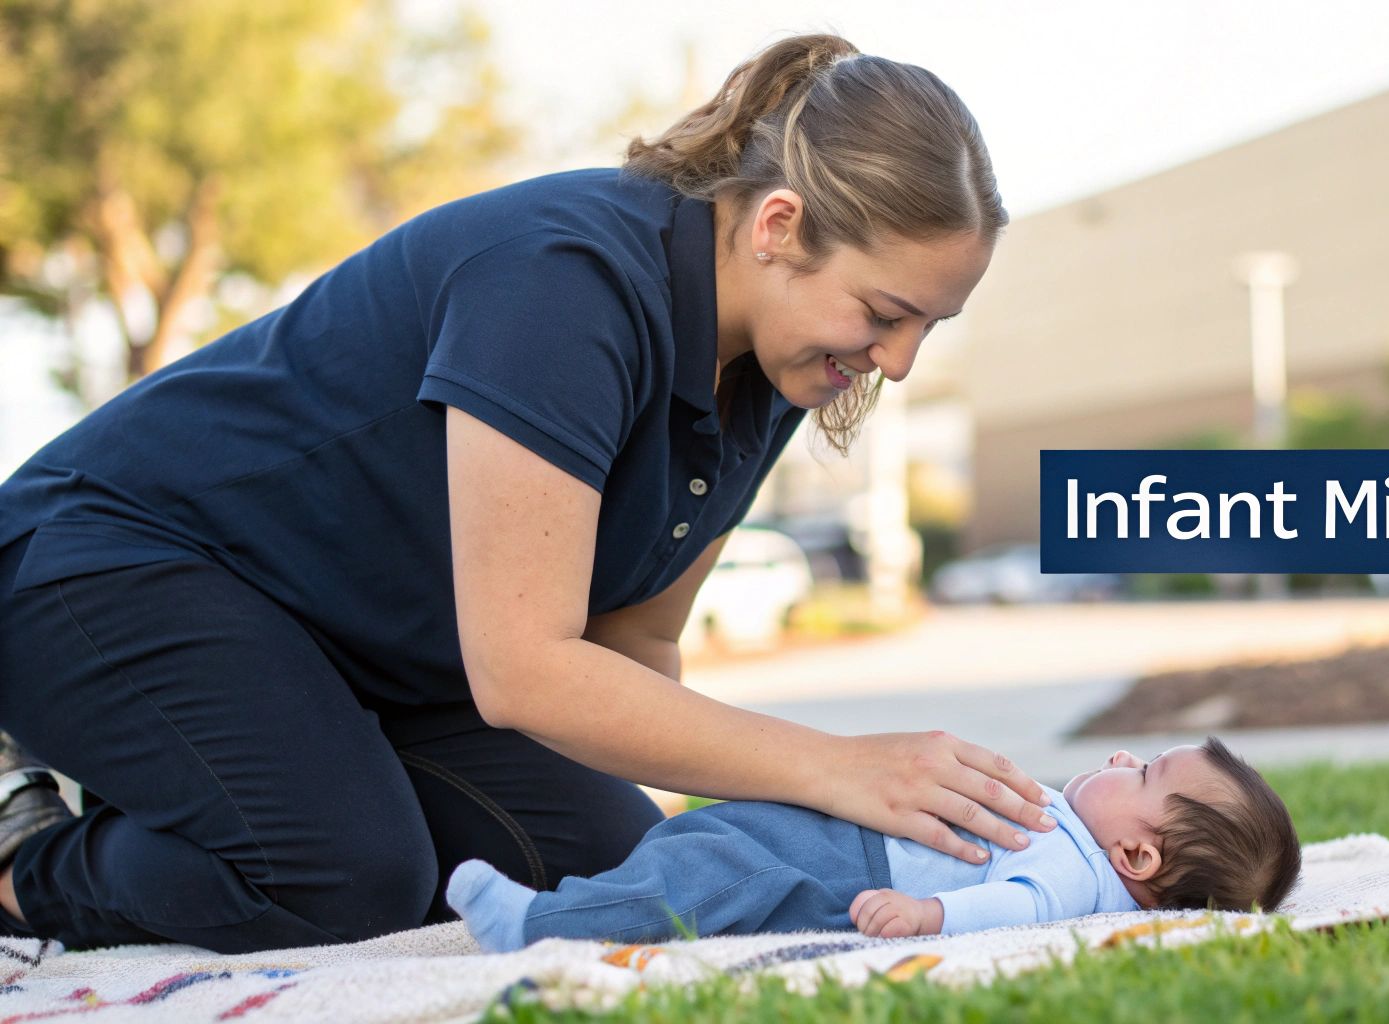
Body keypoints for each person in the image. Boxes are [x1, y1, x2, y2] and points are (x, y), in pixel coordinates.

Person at [0, 33, 1057, 954]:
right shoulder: (565, 282)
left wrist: (747, 833)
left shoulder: (775, 369)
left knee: (612, 868)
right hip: (104, 566)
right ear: (777, 225)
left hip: (352, 653)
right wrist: (834, 768)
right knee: (338, 873)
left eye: (928, 325)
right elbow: (524, 672)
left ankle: (231, 783)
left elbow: (632, 646)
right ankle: (21, 854)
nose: (900, 362)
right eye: (885, 312)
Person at [446, 737, 1302, 949]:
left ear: (1138, 859)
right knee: (706, 841)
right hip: (851, 838)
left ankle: (543, 927)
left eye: (1144, 771)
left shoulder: (1074, 875)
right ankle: (596, 903)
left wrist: (930, 912)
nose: (1121, 756)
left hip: (857, 867)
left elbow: (1023, 903)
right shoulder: (1085, 837)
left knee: (714, 872)